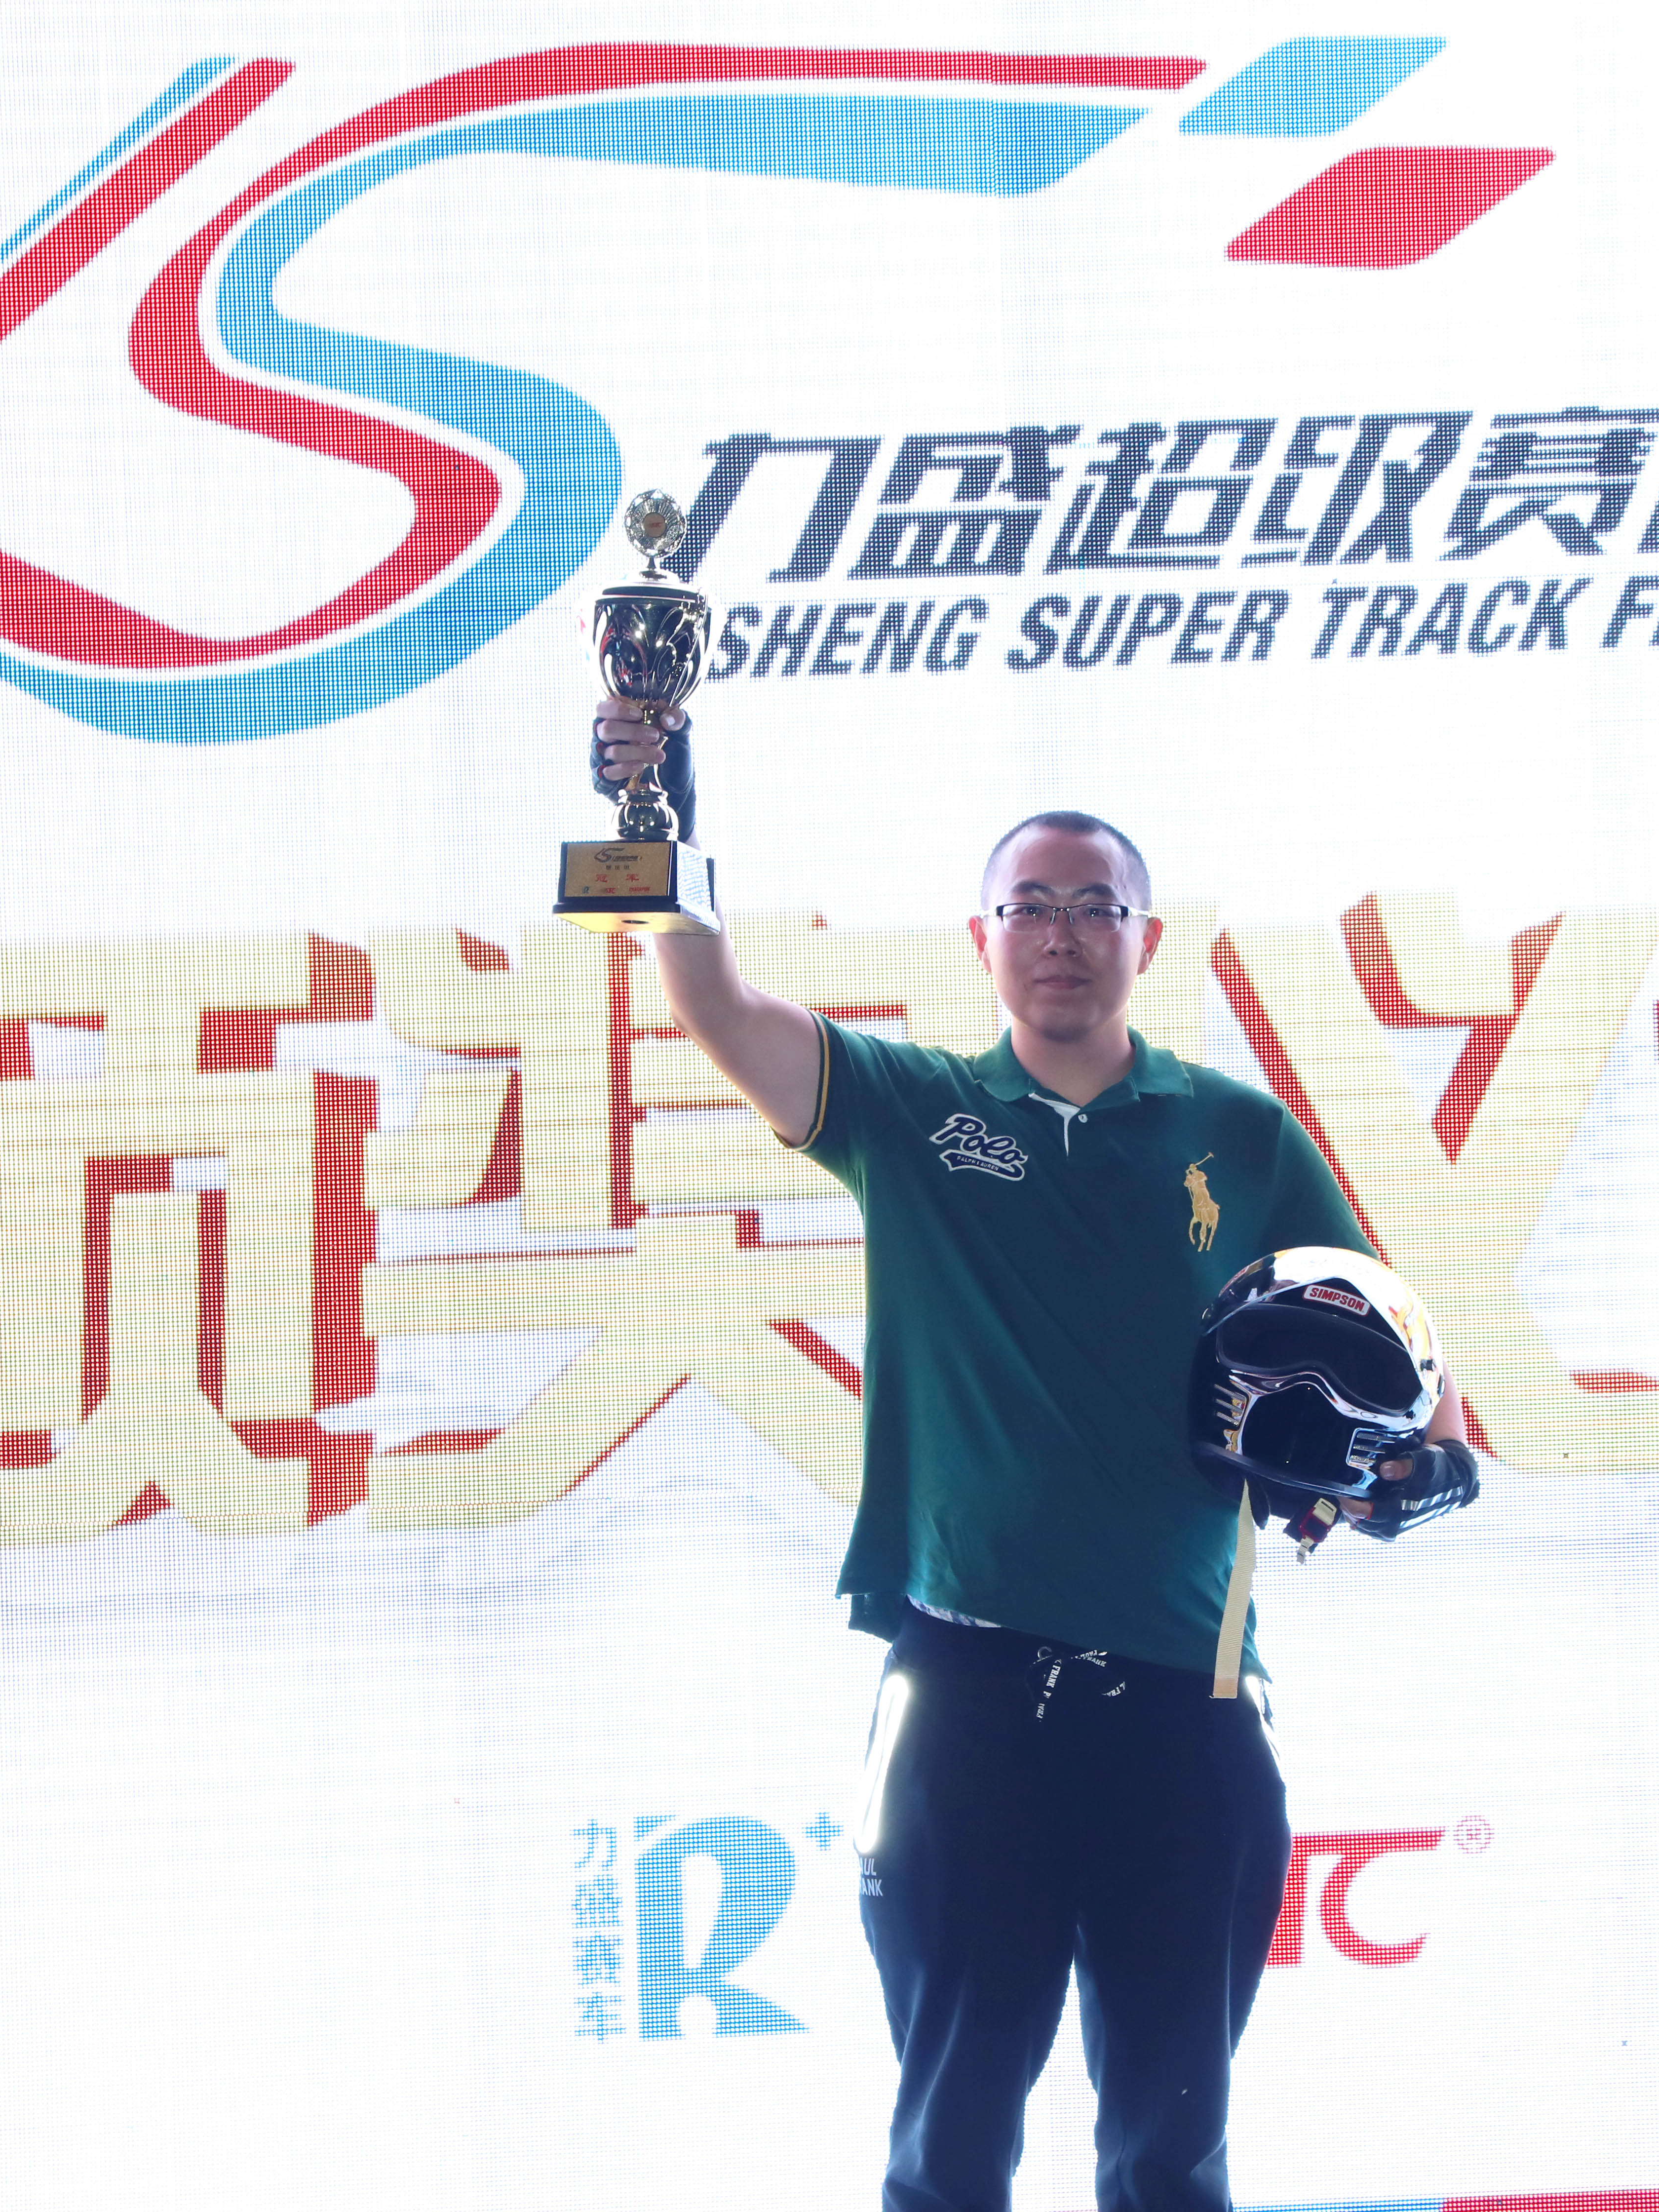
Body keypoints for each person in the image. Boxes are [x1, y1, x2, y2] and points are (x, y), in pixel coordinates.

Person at [591, 698, 1467, 2212]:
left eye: (1095, 908)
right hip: (967, 1703)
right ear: (981, 937)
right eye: (1032, 907)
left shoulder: (1238, 1135)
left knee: (1171, 2155)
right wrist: (654, 818)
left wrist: (1399, 1478)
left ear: (1147, 937)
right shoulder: (910, 1111)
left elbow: (1421, 1394)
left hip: (1189, 1709)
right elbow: (715, 1004)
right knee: (950, 2147)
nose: (1063, 935)